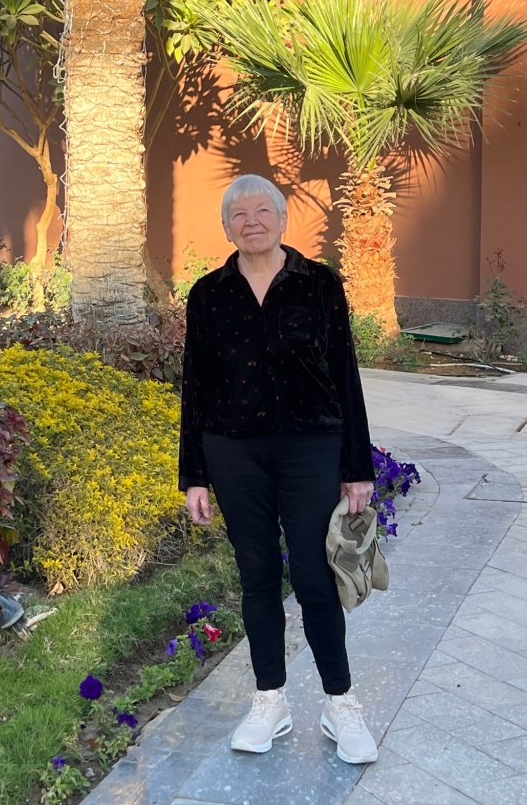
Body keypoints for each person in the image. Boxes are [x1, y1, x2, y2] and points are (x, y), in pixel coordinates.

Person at [179, 174, 378, 765]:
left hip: (311, 448)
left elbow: (345, 374)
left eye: (262, 211)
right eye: (239, 215)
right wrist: (194, 475)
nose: (252, 222)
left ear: (283, 219)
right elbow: (195, 386)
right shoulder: (208, 294)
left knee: (316, 576)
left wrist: (357, 466)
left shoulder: (319, 284)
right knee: (258, 575)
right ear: (226, 227)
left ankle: (340, 703)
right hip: (233, 450)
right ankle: (270, 699)